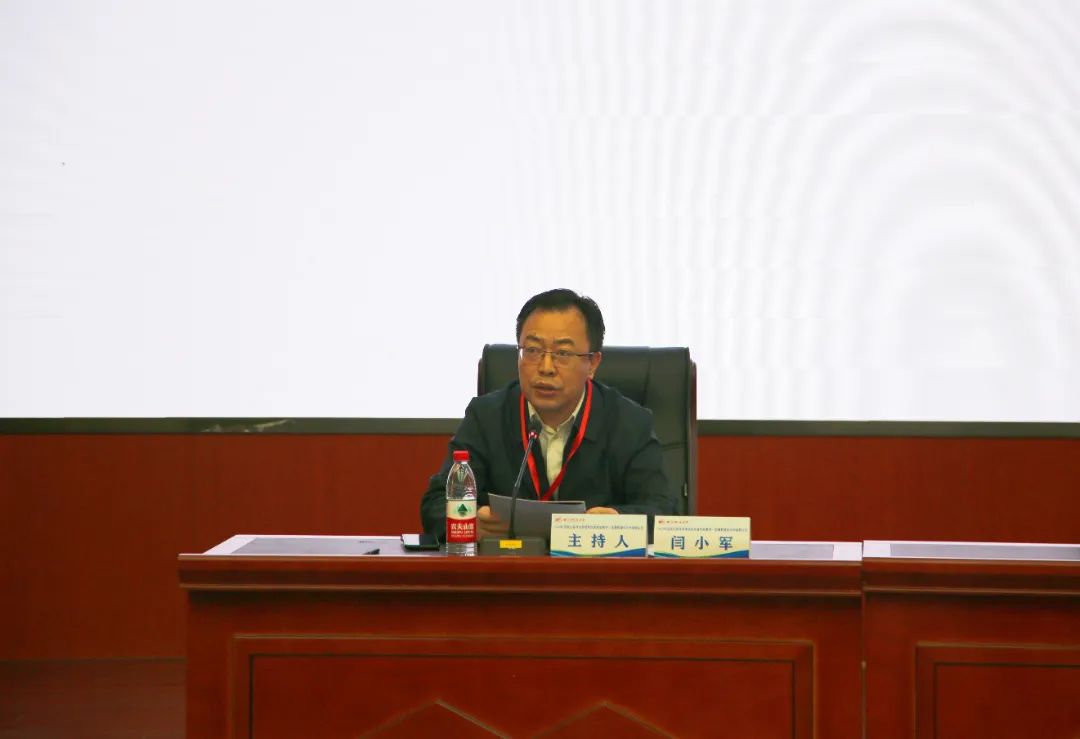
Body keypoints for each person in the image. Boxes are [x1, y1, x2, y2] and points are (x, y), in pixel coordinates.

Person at [420, 288, 677, 540]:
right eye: (532, 350)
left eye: (563, 353)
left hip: (592, 564)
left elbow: (664, 511)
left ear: (592, 363)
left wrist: (618, 519)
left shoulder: (629, 422)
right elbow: (436, 503)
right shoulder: (486, 417)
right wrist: (470, 523)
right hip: (510, 564)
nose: (545, 367)